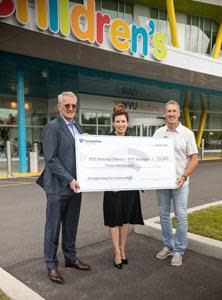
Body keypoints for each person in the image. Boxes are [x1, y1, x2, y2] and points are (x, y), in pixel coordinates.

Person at [36, 91, 91, 284]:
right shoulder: (52, 127)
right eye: (66, 105)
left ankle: (70, 257)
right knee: (53, 227)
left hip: (76, 186)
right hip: (58, 187)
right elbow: (51, 159)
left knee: (71, 224)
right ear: (59, 107)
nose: (70, 109)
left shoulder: (78, 126)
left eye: (73, 106)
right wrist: (69, 179)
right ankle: (51, 265)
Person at [153, 100, 198, 267]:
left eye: (174, 111)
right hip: (162, 183)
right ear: (164, 114)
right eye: (168, 111)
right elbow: (152, 157)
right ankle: (168, 245)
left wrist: (184, 176)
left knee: (181, 216)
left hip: (180, 183)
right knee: (163, 214)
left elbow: (194, 158)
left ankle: (179, 250)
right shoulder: (158, 133)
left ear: (178, 113)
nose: (171, 114)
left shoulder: (187, 134)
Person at [103, 103, 144, 270]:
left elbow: (139, 162)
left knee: (125, 220)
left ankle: (123, 248)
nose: (121, 124)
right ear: (113, 123)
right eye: (118, 121)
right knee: (114, 220)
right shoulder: (104, 141)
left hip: (129, 187)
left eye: (123, 122)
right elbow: (100, 163)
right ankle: (116, 252)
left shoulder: (134, 140)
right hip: (112, 187)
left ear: (127, 123)